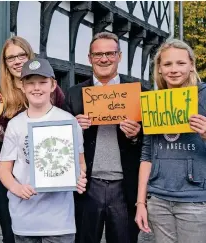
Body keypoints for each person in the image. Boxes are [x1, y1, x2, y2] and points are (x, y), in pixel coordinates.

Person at [0, 36, 66, 243]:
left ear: (30, 56)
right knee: (11, 233)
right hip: (9, 172)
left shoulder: (51, 90)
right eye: (11, 58)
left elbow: (65, 127)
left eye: (21, 55)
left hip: (46, 170)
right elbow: (2, 140)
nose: (17, 61)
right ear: (5, 63)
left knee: (46, 232)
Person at [64, 32, 145, 243]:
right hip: (87, 184)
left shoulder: (139, 91)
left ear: (119, 56)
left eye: (110, 53)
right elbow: (62, 142)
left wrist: (137, 134)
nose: (104, 59)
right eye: (98, 54)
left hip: (124, 184)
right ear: (89, 58)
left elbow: (153, 143)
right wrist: (74, 128)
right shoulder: (74, 93)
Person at [0, 57, 87, 243]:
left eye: (42, 82)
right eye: (30, 83)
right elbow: (3, 169)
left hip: (59, 220)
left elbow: (80, 163)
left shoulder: (68, 121)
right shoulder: (15, 124)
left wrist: (80, 178)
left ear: (53, 85)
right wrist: (17, 187)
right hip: (25, 217)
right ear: (22, 86)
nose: (36, 88)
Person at [135, 39, 206, 243]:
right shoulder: (154, 101)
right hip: (158, 200)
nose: (174, 70)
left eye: (180, 63)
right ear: (159, 68)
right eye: (167, 64)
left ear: (191, 64)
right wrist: (141, 202)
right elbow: (147, 155)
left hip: (196, 201)